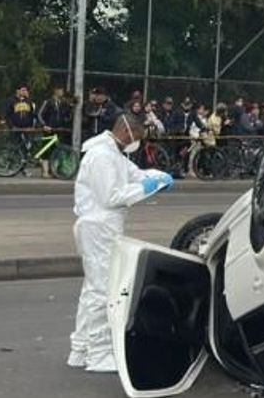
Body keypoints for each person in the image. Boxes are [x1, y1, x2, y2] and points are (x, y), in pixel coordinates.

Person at [67, 112, 173, 373]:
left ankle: (80, 349)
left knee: (93, 288)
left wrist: (158, 177)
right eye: (137, 137)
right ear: (127, 132)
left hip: (101, 227)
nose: (137, 142)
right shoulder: (102, 156)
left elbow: (135, 173)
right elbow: (111, 196)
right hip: (98, 226)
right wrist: (147, 189)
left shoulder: (113, 153)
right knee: (103, 288)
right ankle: (100, 354)